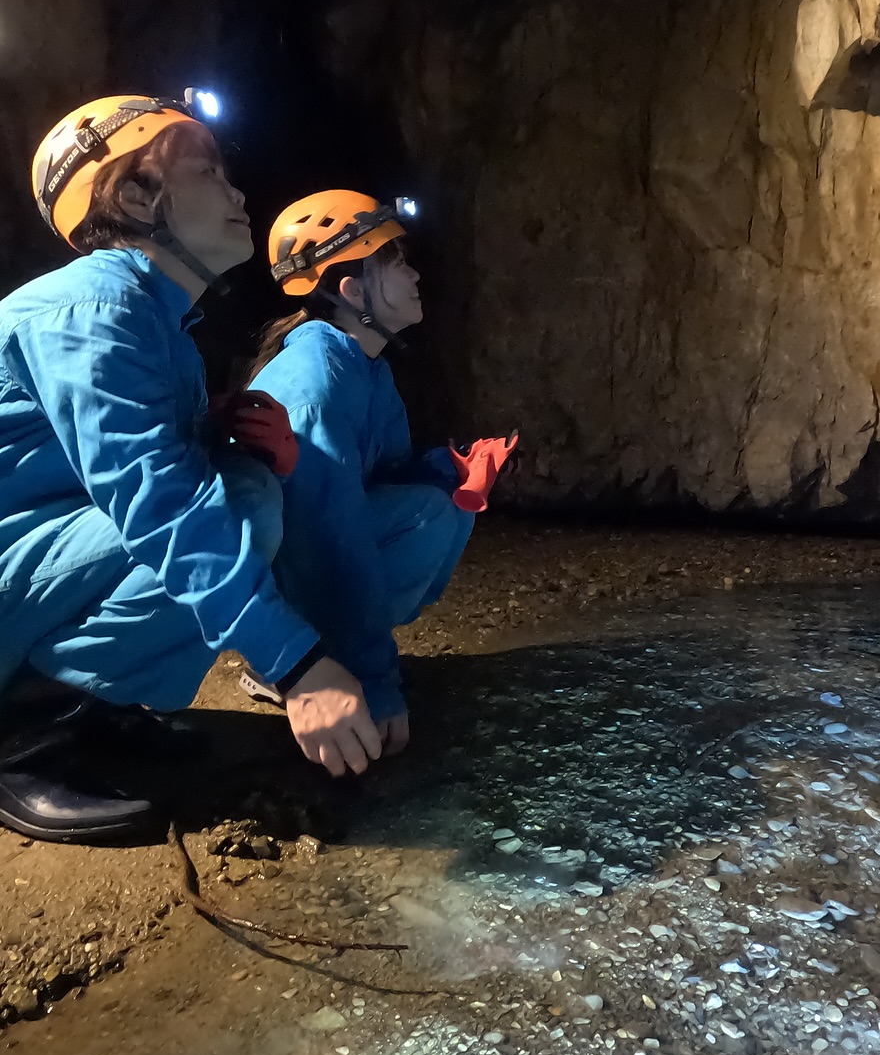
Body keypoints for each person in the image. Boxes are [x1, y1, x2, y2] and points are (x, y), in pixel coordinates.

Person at [0, 96, 386, 842]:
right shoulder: (92, 309)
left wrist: (216, 428)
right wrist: (299, 664)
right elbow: (159, 502)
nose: (238, 191)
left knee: (236, 486)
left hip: (22, 561)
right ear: (140, 196)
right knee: (233, 507)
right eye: (206, 169)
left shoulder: (154, 320)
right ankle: (23, 733)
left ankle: (91, 707)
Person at [243, 190, 515, 751]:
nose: (416, 274)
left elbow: (380, 478)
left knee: (440, 504)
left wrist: (452, 469)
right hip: (277, 576)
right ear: (351, 290)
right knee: (425, 517)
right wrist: (377, 683)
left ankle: (333, 651)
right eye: (395, 263)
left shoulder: (365, 367)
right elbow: (328, 543)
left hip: (302, 557)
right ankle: (300, 666)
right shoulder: (316, 384)